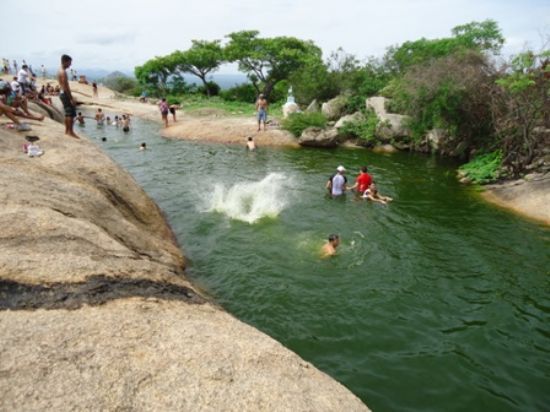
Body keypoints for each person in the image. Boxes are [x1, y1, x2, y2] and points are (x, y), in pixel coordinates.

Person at [57, 54, 79, 138]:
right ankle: (70, 132)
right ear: (65, 61)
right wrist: (71, 98)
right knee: (70, 113)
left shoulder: (59, 70)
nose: (70, 64)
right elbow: (66, 86)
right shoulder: (63, 72)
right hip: (65, 93)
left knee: (67, 113)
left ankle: (67, 131)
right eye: (70, 62)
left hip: (62, 93)